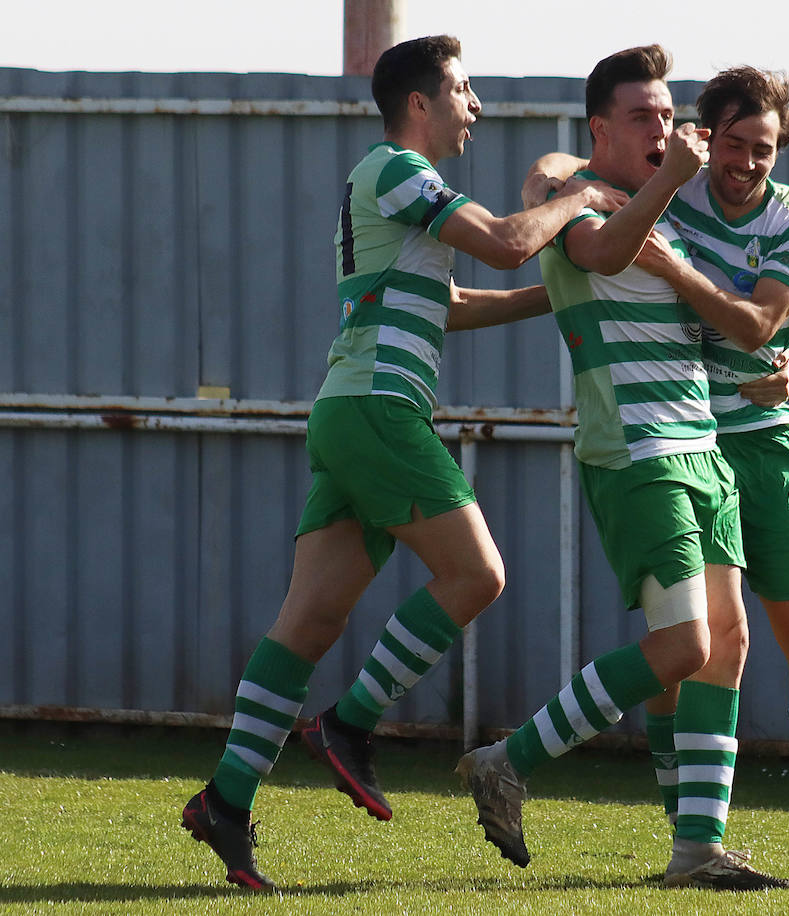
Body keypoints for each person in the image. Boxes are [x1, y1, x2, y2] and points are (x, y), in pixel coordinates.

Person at [178, 34, 629, 892]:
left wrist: (559, 293)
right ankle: (347, 724)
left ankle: (226, 802)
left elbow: (449, 299)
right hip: (380, 412)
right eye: (463, 89)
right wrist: (584, 199)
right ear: (419, 102)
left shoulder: (394, 190)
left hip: (352, 412)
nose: (477, 105)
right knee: (480, 575)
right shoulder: (394, 168)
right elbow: (502, 240)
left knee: (307, 624)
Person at [522, 65, 789, 874]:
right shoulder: (670, 187)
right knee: (693, 644)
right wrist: (547, 176)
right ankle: (688, 824)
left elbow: (760, 325)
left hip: (756, 442)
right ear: (703, 136)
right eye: (732, 143)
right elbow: (568, 172)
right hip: (680, 440)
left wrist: (688, 281)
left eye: (763, 149)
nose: (746, 163)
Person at [455, 44, 789, 892]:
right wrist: (632, 178)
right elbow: (604, 253)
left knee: (727, 644)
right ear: (603, 129)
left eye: (666, 111)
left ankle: (696, 851)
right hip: (636, 454)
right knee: (680, 645)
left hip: (702, 449)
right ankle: (508, 759)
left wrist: (758, 365)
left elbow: (692, 326)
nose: (664, 127)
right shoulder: (585, 207)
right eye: (642, 116)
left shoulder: (666, 213)